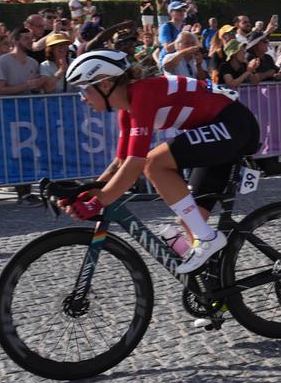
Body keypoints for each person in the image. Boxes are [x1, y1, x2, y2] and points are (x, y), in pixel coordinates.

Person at [62, 49, 260, 273]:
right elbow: (121, 162)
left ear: (105, 84)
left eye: (83, 89)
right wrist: (86, 193)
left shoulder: (142, 94)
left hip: (234, 125)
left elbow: (136, 164)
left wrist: (101, 200)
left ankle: (208, 239)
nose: (82, 98)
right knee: (191, 220)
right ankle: (212, 282)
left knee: (154, 163)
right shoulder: (126, 109)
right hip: (216, 130)